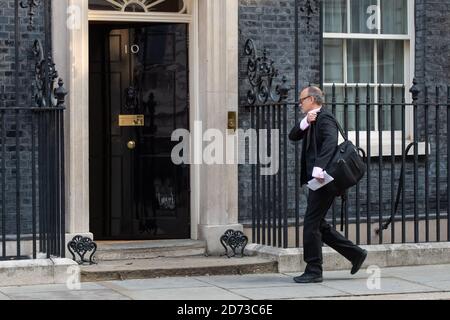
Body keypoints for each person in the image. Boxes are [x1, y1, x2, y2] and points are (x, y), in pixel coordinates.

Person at [289, 86, 367, 284]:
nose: (300, 103)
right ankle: (355, 253)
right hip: (319, 180)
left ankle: (314, 269)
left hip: (324, 179)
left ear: (313, 99)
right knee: (319, 224)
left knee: (311, 223)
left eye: (302, 99)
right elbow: (293, 135)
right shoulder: (312, 119)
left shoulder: (326, 118)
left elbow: (330, 143)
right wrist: (305, 122)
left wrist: (318, 168)